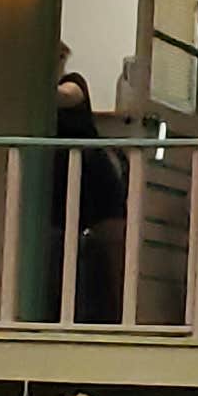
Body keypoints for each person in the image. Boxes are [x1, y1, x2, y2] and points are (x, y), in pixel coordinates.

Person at [52, 72, 129, 322]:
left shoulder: (72, 83)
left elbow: (66, 96)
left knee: (112, 253)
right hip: (59, 183)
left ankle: (120, 318)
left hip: (95, 180)